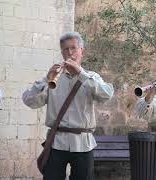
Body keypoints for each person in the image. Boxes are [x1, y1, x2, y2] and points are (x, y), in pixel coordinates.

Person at [22, 32, 114, 180]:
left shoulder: (92, 77)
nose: (69, 53)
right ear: (61, 52)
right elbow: (29, 101)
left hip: (83, 144)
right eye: (65, 49)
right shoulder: (54, 78)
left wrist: (81, 74)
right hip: (56, 142)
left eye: (73, 48)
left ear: (82, 51)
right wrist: (47, 79)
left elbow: (107, 95)